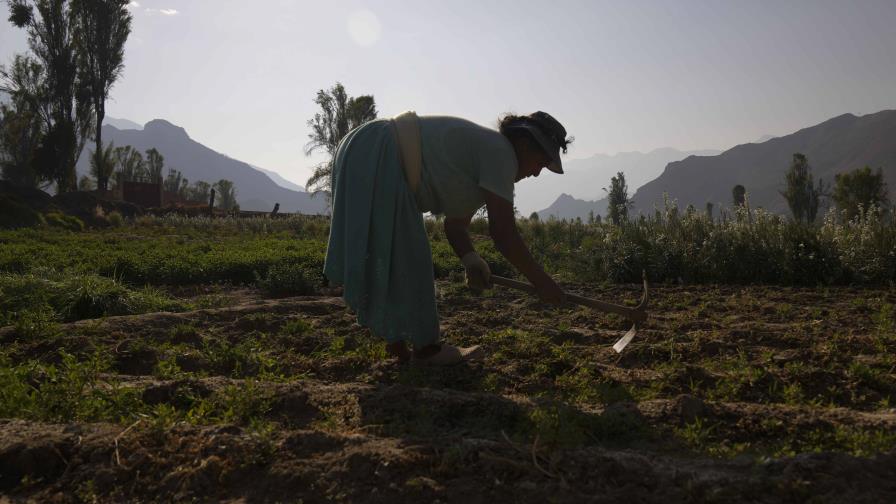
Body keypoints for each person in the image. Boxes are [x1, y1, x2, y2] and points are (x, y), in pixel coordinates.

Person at [324, 111, 571, 365]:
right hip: (381, 151)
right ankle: (426, 352)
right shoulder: (502, 154)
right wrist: (542, 282)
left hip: (367, 147)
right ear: (524, 144)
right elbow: (504, 234)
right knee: (412, 259)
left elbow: (455, 227)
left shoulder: (486, 156)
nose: (537, 174)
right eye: (540, 163)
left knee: (392, 254)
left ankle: (399, 349)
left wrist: (471, 259)